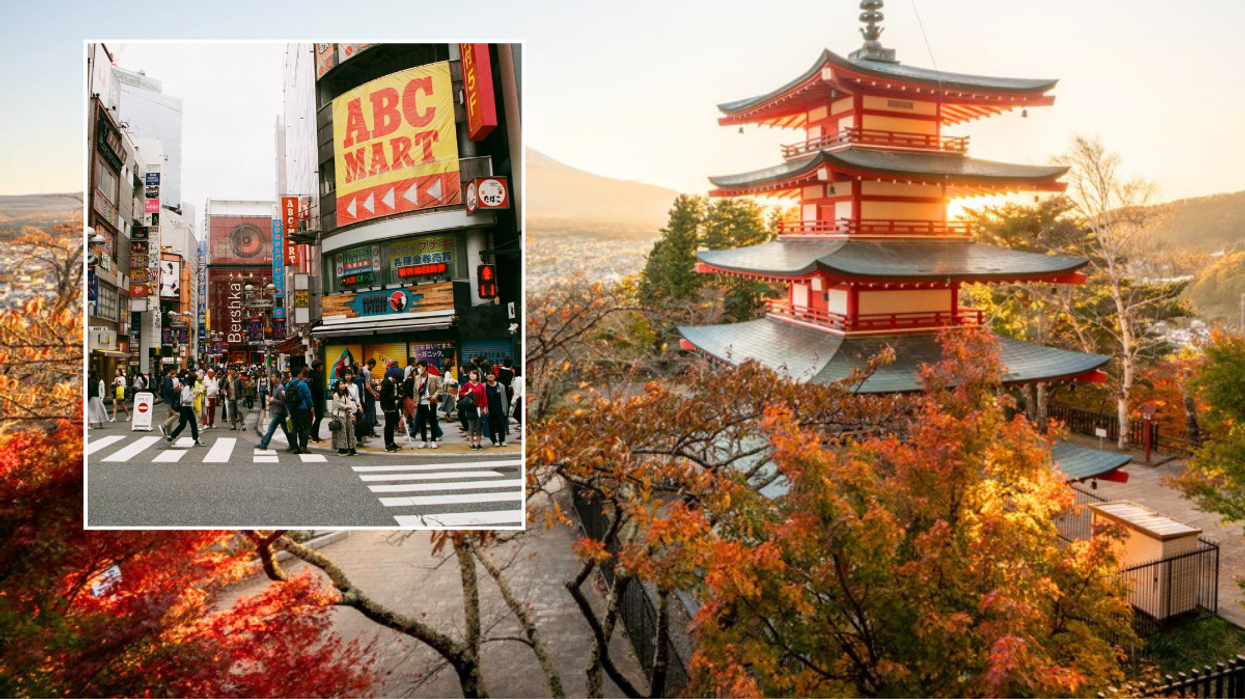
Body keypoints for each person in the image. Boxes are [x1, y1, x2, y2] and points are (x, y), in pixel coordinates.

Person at [406, 360, 442, 449]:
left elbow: (440, 388)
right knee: (422, 423)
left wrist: (434, 397)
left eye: (419, 367)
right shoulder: (417, 378)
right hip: (421, 403)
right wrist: (416, 402)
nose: (418, 369)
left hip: (431, 402)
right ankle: (424, 441)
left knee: (433, 422)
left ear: (424, 367)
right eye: (417, 367)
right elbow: (415, 390)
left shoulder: (432, 377)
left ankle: (433, 440)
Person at [256, 372, 293, 451]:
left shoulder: (280, 388)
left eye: (273, 377)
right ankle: (293, 444)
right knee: (285, 430)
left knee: (271, 428)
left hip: (279, 412)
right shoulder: (275, 387)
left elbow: (283, 401)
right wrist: (272, 399)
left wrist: (273, 400)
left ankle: (263, 444)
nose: (272, 378)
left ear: (278, 378)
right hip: (278, 412)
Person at [164, 377, 204, 447]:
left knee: (193, 423)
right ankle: (171, 437)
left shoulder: (190, 387)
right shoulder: (187, 388)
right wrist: (194, 396)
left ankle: (196, 439)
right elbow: (185, 399)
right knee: (182, 424)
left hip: (188, 407)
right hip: (185, 407)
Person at [286, 366, 314, 454]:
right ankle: (303, 445)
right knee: (306, 427)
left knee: (294, 428)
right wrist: (311, 406)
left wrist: (289, 408)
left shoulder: (288, 385)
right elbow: (308, 396)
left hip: (293, 409)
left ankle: (295, 447)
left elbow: (285, 398)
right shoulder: (302, 384)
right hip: (302, 409)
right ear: (299, 374)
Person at [458, 369, 487, 451]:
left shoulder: (480, 385)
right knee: (471, 427)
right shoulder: (467, 385)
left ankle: (478, 443)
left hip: (479, 407)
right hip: (470, 408)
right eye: (470, 374)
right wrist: (467, 393)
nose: (472, 376)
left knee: (478, 427)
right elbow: (461, 395)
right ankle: (471, 444)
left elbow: (484, 397)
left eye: (474, 374)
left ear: (477, 376)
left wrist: (485, 407)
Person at [329, 379, 359, 456]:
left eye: (343, 384)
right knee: (341, 432)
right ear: (337, 386)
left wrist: (351, 413)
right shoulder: (336, 395)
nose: (343, 386)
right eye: (341, 384)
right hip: (339, 415)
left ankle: (351, 448)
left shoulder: (346, 394)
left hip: (347, 414)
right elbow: (338, 404)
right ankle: (342, 448)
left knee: (350, 430)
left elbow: (349, 402)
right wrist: (346, 406)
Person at [483, 370, 510, 447]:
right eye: (488, 374)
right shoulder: (484, 386)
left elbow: (504, 398)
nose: (490, 376)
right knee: (491, 426)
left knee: (501, 425)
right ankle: (494, 441)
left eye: (492, 374)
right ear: (486, 377)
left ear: (495, 376)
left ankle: (502, 440)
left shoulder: (500, 386)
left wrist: (505, 409)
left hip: (499, 409)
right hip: (489, 410)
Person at [379, 367, 401, 452]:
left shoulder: (395, 384)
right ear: (394, 378)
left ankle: (392, 442)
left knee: (392, 426)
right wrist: (396, 397)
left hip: (394, 406)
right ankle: (388, 444)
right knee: (388, 426)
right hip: (388, 407)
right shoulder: (387, 384)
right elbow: (385, 397)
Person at [159, 367, 181, 437]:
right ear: (171, 370)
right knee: (177, 414)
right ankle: (163, 426)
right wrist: (177, 386)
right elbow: (169, 389)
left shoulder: (168, 378)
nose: (175, 371)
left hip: (169, 398)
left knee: (170, 415)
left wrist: (177, 387)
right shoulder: (168, 378)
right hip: (170, 398)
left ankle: (169, 432)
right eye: (174, 369)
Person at [309, 359, 326, 443]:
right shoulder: (317, 376)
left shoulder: (311, 375)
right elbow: (318, 389)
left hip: (313, 399)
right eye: (321, 365)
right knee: (319, 416)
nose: (322, 367)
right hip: (317, 400)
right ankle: (314, 434)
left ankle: (313, 432)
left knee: (318, 416)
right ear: (318, 367)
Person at [362, 358, 379, 437]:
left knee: (367, 412)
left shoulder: (361, 370)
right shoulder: (367, 372)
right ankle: (371, 431)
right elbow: (368, 386)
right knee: (370, 413)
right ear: (372, 365)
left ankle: (365, 429)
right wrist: (374, 394)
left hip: (363, 395)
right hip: (369, 395)